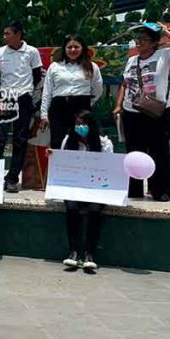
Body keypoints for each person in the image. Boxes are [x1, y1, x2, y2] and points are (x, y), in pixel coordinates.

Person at [114, 23, 170, 201]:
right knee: (134, 151)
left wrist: (166, 32)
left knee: (158, 151)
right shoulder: (132, 60)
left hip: (156, 111)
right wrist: (118, 105)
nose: (139, 42)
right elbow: (125, 83)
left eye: (144, 39)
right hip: (132, 111)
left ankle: (159, 190)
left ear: (154, 42)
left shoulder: (165, 55)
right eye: (137, 39)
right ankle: (134, 190)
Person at [54, 110, 113, 273]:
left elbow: (109, 168)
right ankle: (73, 252)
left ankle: (89, 254)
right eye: (77, 124)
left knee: (95, 211)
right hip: (74, 188)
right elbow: (63, 164)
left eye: (83, 124)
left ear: (91, 125)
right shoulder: (69, 140)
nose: (80, 127)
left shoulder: (104, 144)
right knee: (72, 208)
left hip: (96, 190)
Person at [0, 21, 43, 193]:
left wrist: (25, 91)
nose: (4, 37)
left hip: (23, 100)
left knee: (20, 140)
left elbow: (36, 76)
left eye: (7, 33)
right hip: (4, 98)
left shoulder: (32, 52)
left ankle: (11, 179)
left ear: (18, 34)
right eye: (4, 34)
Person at [39, 34, 103, 150]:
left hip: (81, 109)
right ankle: (59, 167)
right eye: (69, 47)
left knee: (82, 140)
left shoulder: (91, 66)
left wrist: (86, 104)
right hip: (59, 108)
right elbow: (47, 92)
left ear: (82, 48)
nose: (73, 50)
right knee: (58, 142)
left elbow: (97, 89)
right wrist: (44, 114)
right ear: (64, 49)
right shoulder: (55, 67)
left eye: (76, 47)